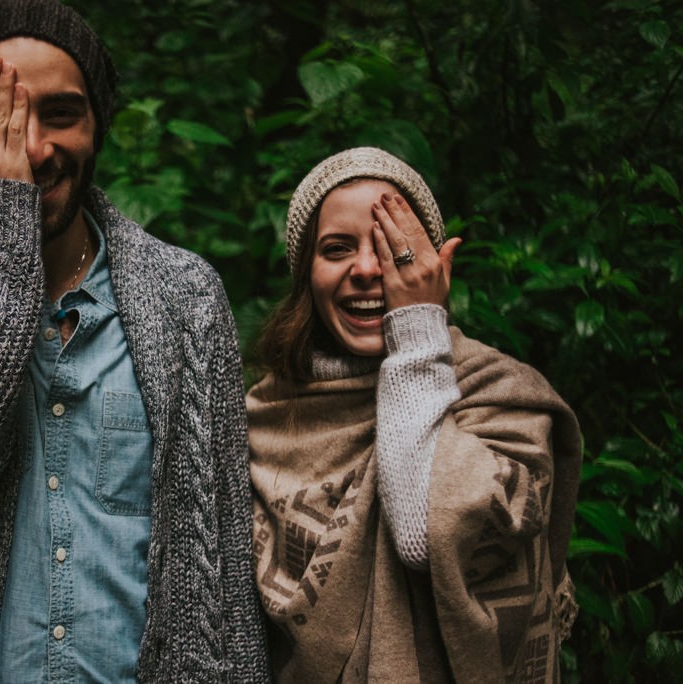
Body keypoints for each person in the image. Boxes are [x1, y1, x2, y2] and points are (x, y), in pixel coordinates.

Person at [0, 0, 268, 680]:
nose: (33, 147)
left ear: (98, 127)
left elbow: (220, 568)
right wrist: (1, 238)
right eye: (1, 116)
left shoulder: (186, 295)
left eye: (61, 114)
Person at [247, 147, 581, 682]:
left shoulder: (499, 396)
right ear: (306, 273)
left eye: (392, 248)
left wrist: (418, 335)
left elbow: (423, 537)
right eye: (336, 249)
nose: (365, 269)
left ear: (432, 266)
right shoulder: (267, 414)